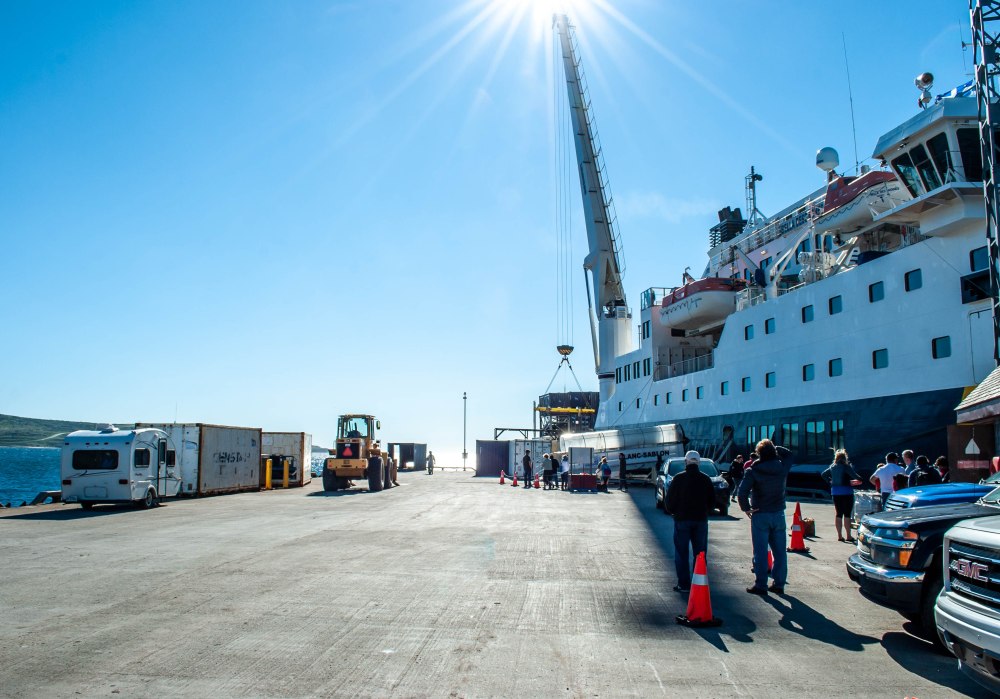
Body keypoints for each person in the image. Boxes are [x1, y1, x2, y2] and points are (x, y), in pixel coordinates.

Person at [737, 438, 792, 595]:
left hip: (760, 514)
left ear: (759, 454)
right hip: (778, 513)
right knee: (780, 551)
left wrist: (746, 509)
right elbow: (788, 455)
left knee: (760, 551)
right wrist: (775, 448)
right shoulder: (782, 467)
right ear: (773, 452)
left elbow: (742, 492)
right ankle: (779, 583)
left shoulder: (753, 470)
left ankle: (761, 585)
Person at [666, 450, 715, 592]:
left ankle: (684, 584)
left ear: (686, 462)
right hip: (700, 520)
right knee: (700, 553)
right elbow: (712, 502)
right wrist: (706, 511)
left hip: (682, 519)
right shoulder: (705, 479)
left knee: (681, 552)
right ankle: (698, 582)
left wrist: (674, 512)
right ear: (698, 463)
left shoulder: (678, 478)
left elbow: (669, 501)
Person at [822, 449, 862, 542]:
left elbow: (823, 474)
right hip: (847, 492)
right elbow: (855, 476)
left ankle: (839, 536)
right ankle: (848, 536)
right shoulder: (846, 467)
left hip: (835, 492)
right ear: (845, 458)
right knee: (847, 514)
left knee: (838, 513)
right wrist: (860, 479)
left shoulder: (832, 467)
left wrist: (830, 481)